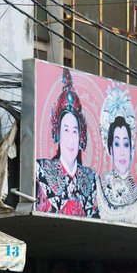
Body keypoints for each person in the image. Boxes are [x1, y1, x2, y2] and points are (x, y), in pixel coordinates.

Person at [34, 69, 100, 218]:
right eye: (66, 130)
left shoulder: (90, 178)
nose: (71, 139)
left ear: (80, 137)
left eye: (74, 131)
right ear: (58, 134)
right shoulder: (43, 171)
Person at [98, 85, 137, 224]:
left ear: (132, 148)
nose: (121, 152)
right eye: (117, 144)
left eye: (125, 144)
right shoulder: (99, 185)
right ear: (110, 148)